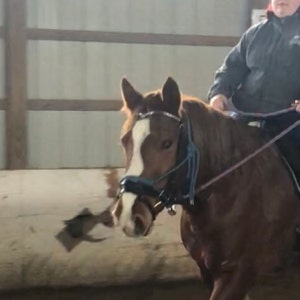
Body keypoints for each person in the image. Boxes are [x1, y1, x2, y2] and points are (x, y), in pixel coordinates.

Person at [208, 0, 300, 182]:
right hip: (244, 116)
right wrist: (219, 93)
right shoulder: (255, 34)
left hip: (288, 120)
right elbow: (231, 68)